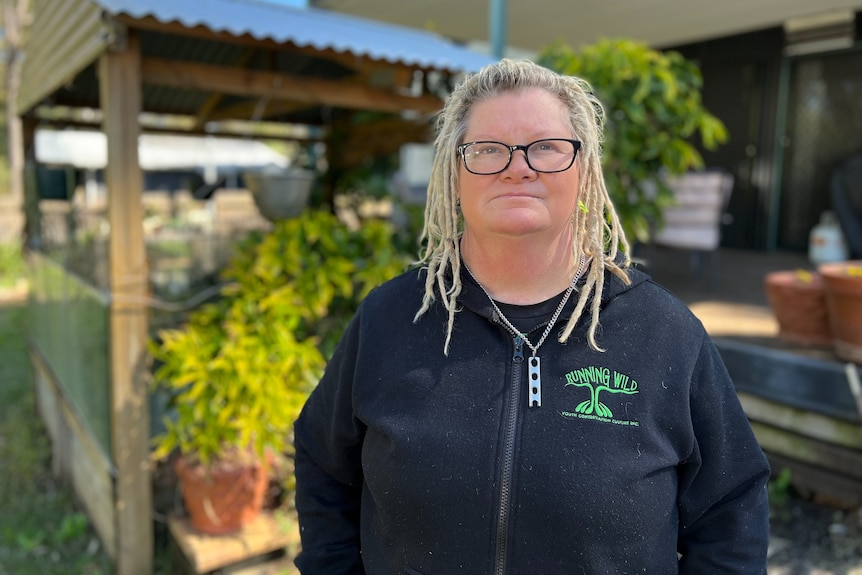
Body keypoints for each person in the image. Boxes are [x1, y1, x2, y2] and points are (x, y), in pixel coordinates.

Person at [293, 58, 771, 574]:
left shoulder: (665, 333)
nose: (517, 167)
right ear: (454, 174)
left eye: (546, 147)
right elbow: (323, 465)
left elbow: (732, 508)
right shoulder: (389, 319)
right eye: (487, 149)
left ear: (584, 170)